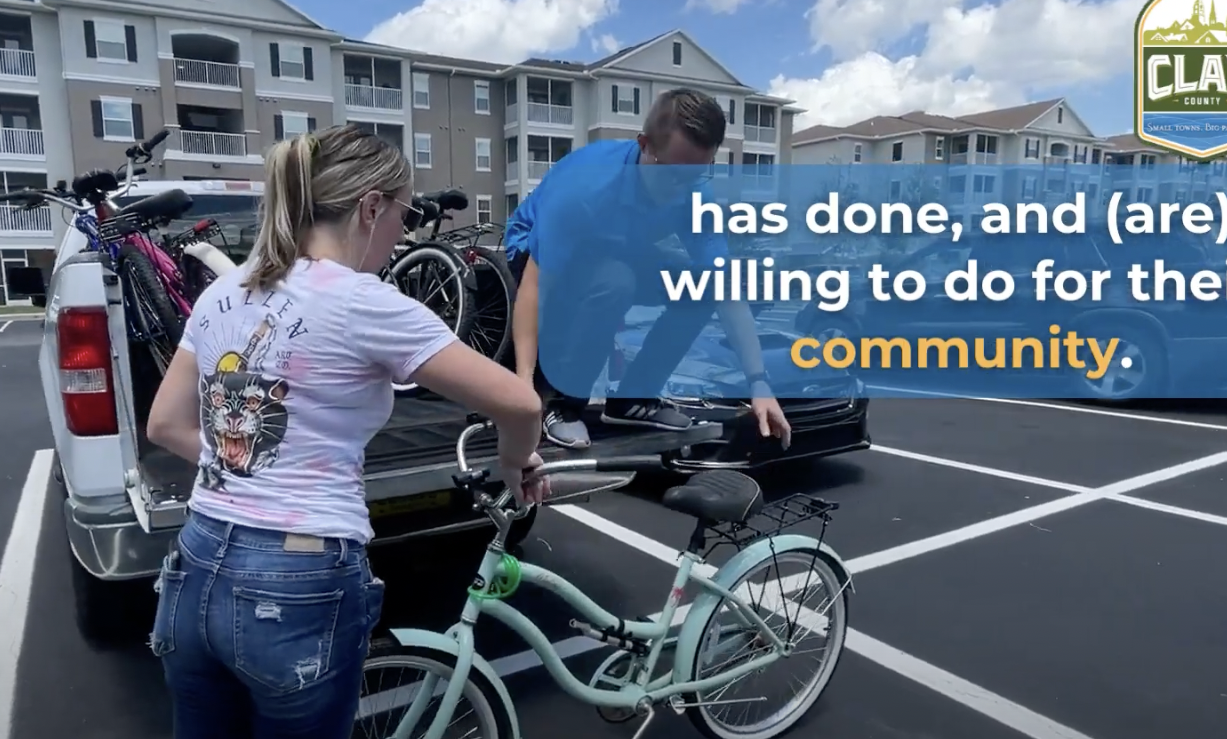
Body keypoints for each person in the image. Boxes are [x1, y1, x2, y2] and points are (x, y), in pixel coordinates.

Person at [145, 124, 544, 739]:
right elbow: (519, 403)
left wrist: (248, 465)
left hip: (196, 557)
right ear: (371, 206)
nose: (403, 233)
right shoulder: (364, 301)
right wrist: (518, 462)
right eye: (405, 215)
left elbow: (165, 424)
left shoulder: (224, 291)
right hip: (297, 575)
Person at [503, 87, 791, 450]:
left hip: (619, 248)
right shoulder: (584, 187)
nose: (679, 190)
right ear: (645, 145)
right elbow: (533, 289)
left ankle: (633, 399)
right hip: (533, 248)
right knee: (615, 281)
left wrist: (759, 384)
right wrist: (524, 388)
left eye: (695, 175)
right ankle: (563, 406)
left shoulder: (692, 193)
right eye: (672, 173)